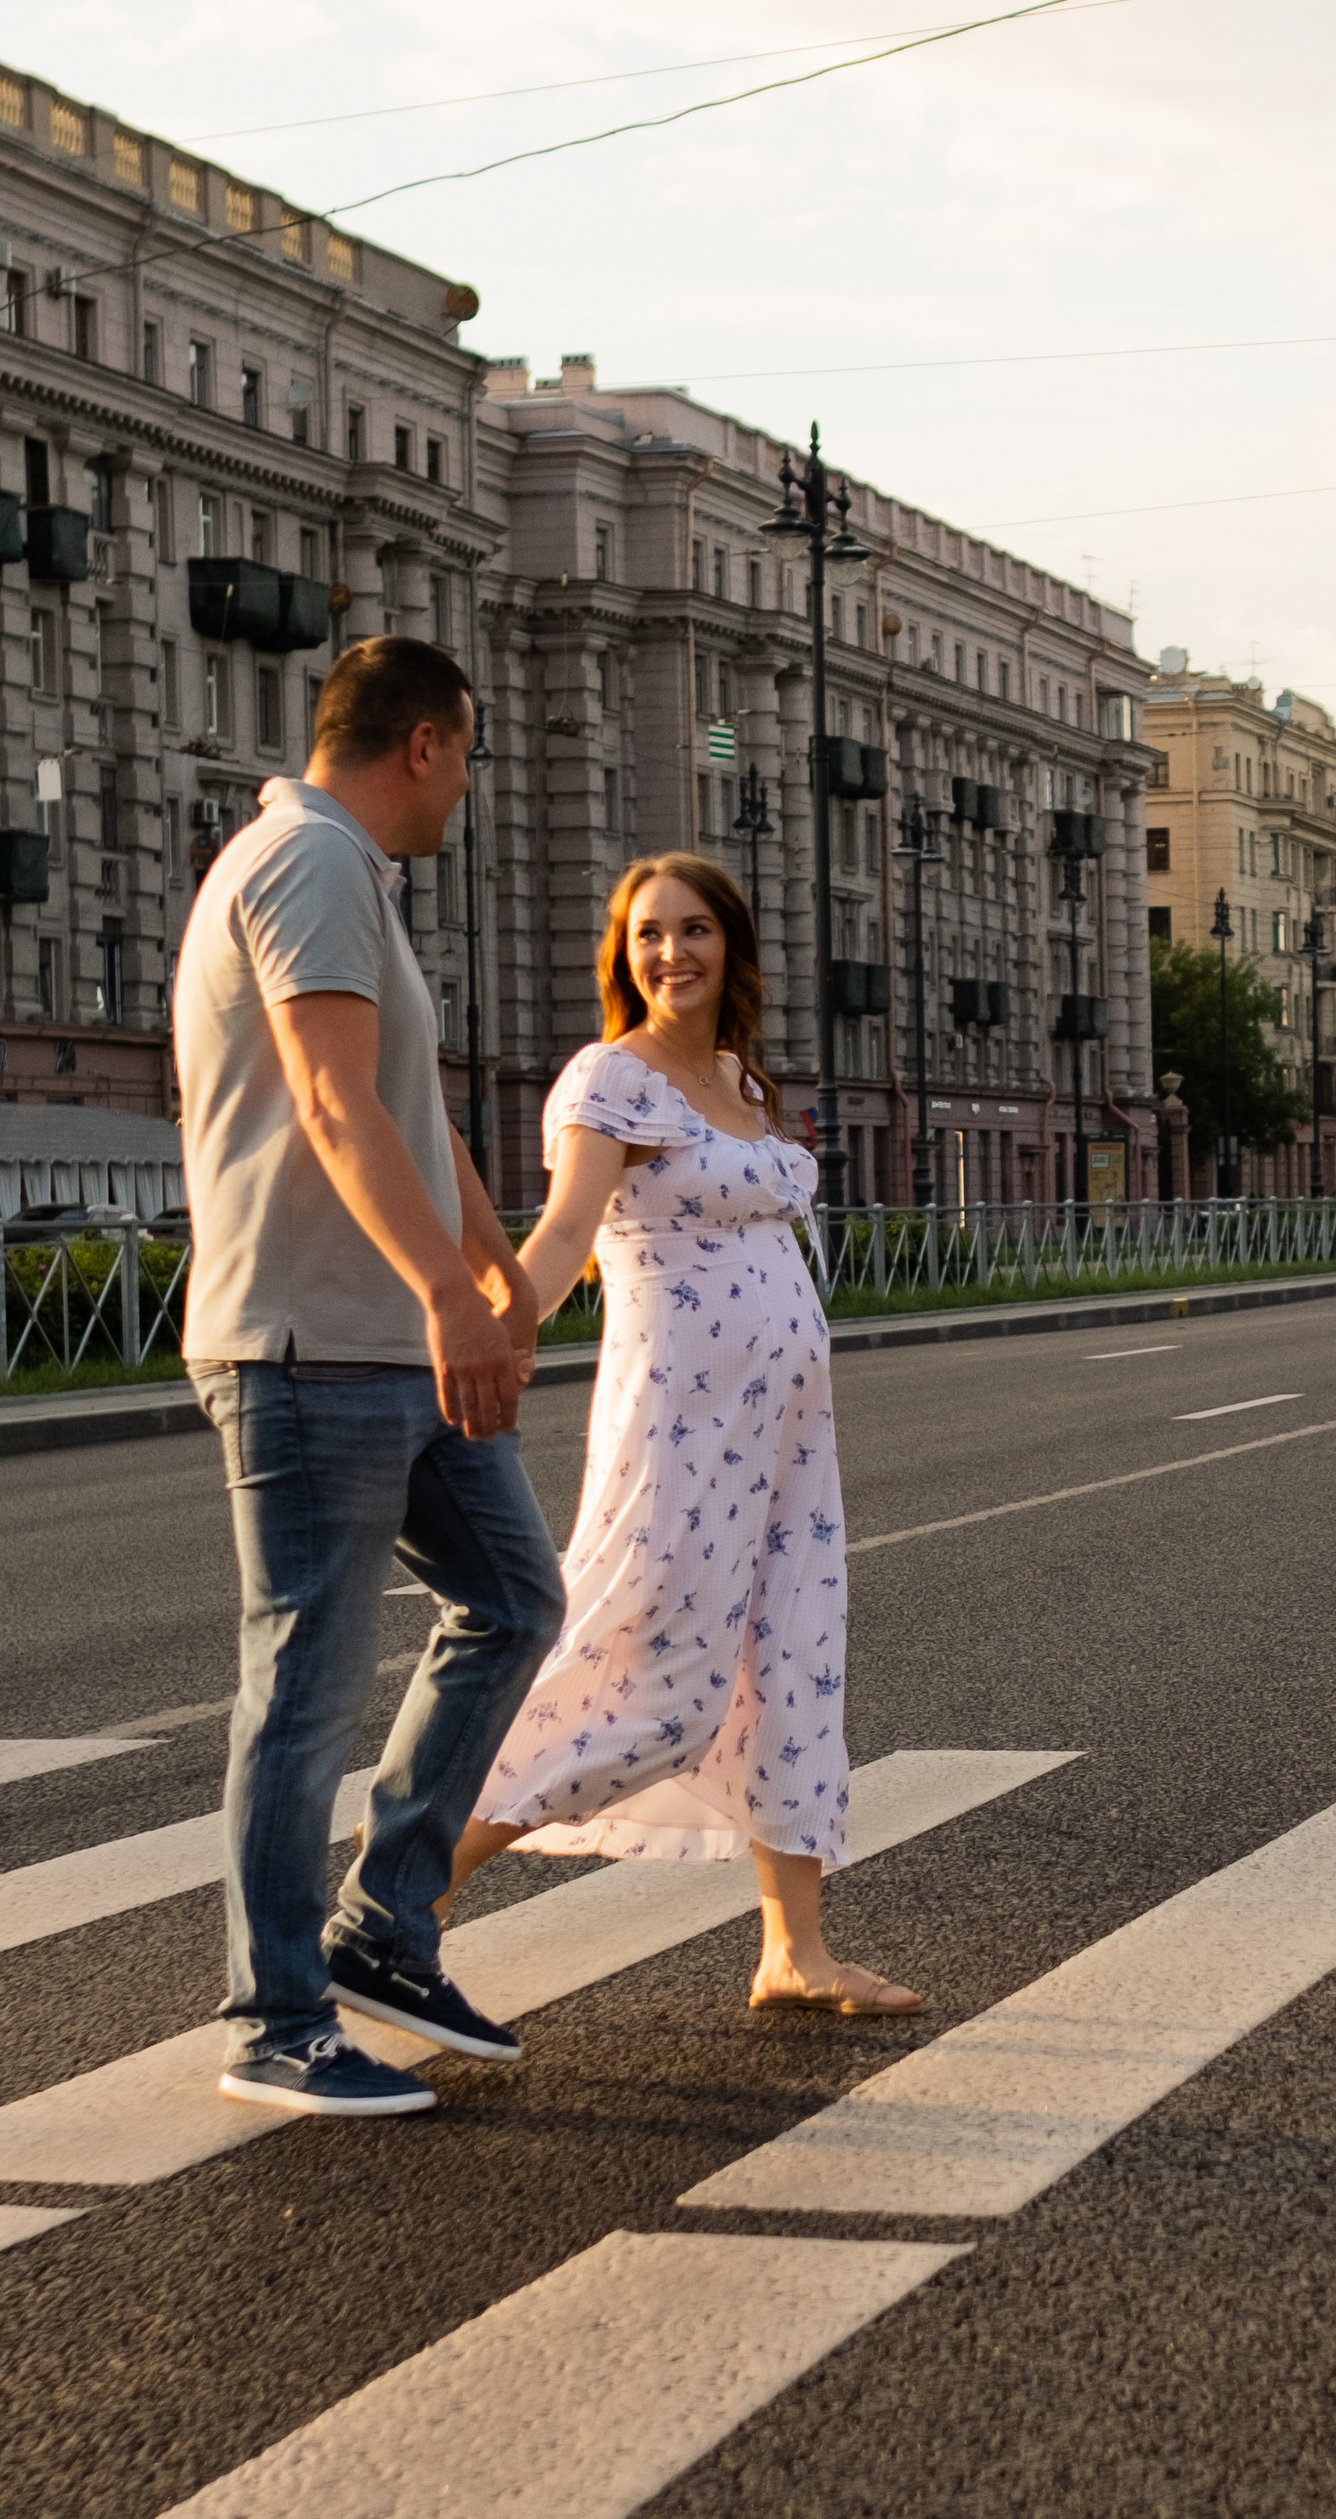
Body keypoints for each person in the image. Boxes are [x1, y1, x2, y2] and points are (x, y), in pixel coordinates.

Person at [177, 633, 564, 2116]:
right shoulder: (306, 863)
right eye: (467, 755)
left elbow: (417, 1117)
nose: (466, 785)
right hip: (308, 1348)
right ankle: (273, 2019)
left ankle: (382, 1929)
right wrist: (445, 1299)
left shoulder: (361, 887)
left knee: (515, 1597)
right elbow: (336, 1110)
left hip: (386, 1338)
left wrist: (496, 1276)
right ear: (424, 744)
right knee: (305, 1686)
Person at [446, 852, 916, 2016]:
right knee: (652, 1675)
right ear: (622, 954)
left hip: (789, 1436)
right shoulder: (612, 1079)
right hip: (679, 1431)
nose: (672, 953)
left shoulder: (738, 1083)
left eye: (695, 929)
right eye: (649, 934)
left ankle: (794, 1951)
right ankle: (404, 1884)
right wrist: (499, 1333)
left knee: (792, 1665)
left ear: (731, 946)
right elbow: (560, 1237)